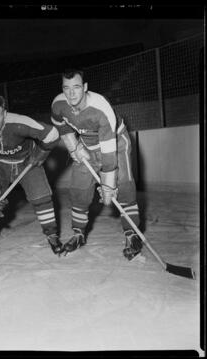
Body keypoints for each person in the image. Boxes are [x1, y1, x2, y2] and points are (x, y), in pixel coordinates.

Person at [51, 69, 142, 260]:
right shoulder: (59, 104)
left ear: (84, 87)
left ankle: (131, 233)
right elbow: (58, 122)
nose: (71, 94)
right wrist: (72, 144)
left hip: (115, 143)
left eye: (76, 87)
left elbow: (109, 154)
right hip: (86, 144)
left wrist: (108, 184)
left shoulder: (101, 109)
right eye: (66, 88)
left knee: (123, 185)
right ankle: (78, 233)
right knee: (78, 188)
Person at [0, 94, 63, 264]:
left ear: (5, 113)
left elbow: (53, 134)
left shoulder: (20, 123)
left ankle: (52, 236)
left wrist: (40, 153)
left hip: (27, 161)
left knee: (41, 196)